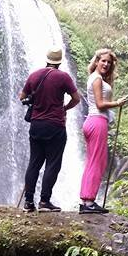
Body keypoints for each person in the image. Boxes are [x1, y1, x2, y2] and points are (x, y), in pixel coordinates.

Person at [19, 47, 81, 212]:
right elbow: (76, 98)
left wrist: (35, 99)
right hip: (55, 125)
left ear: (47, 59)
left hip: (36, 125)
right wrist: (64, 108)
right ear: (59, 61)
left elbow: (21, 96)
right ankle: (45, 201)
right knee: (52, 163)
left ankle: (29, 202)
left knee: (34, 163)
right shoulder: (63, 77)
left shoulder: (34, 75)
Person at [79, 49, 127, 214]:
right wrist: (117, 103)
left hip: (92, 121)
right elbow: (100, 104)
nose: (106, 64)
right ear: (97, 61)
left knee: (92, 161)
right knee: (98, 162)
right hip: (97, 121)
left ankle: (86, 199)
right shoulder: (97, 79)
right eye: (103, 61)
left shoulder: (94, 77)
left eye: (109, 62)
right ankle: (89, 202)